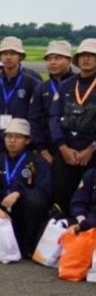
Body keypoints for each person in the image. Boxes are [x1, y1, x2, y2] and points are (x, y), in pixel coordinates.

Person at [0, 117, 51, 257]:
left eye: (18, 137)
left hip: (24, 209)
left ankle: (28, 246)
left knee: (36, 203)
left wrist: (19, 193)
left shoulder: (37, 161)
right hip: (1, 210)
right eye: (9, 136)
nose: (12, 141)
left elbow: (44, 191)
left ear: (27, 140)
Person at [48, 38, 96, 211]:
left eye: (91, 55)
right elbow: (54, 117)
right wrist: (62, 147)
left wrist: (91, 149)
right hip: (66, 152)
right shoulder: (67, 85)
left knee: (88, 204)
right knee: (60, 200)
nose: (86, 59)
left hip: (91, 154)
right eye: (82, 55)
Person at [0, 36, 40, 161]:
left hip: (22, 141)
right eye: (5, 53)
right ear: (0, 57)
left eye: (13, 53)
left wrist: (33, 142)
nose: (8, 57)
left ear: (20, 57)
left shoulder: (32, 83)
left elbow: (35, 116)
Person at [29, 40, 74, 171]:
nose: (52, 62)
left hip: (74, 148)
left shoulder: (78, 84)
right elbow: (34, 119)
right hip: (48, 148)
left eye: (57, 58)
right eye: (49, 59)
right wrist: (43, 151)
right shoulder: (41, 88)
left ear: (69, 60)